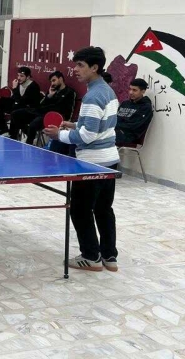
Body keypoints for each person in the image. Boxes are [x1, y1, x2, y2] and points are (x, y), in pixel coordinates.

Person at [44, 46, 120, 272]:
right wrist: (74, 124)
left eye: (80, 65)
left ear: (94, 67)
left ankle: (90, 256)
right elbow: (100, 125)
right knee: (104, 209)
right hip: (109, 161)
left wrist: (59, 135)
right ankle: (109, 256)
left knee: (80, 210)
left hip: (91, 163)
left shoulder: (92, 97)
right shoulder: (107, 91)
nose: (75, 69)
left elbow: (87, 136)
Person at [10, 71, 76, 145]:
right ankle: (22, 136)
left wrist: (66, 122)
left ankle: (29, 144)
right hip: (39, 111)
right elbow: (41, 104)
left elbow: (69, 109)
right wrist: (49, 96)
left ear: (60, 79)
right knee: (15, 114)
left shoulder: (69, 92)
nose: (52, 83)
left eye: (54, 80)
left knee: (33, 125)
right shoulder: (52, 90)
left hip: (51, 116)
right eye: (51, 81)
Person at [0, 67, 41, 135]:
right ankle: (3, 129)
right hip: (19, 105)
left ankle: (13, 134)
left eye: (21, 76)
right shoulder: (19, 84)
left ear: (28, 77)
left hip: (29, 109)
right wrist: (1, 98)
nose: (19, 78)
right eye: (18, 75)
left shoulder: (33, 86)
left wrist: (15, 89)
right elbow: (14, 98)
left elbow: (21, 101)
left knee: (15, 109)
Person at [114, 78, 153, 145]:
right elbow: (115, 119)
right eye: (130, 89)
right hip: (114, 132)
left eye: (134, 90)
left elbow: (134, 127)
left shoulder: (145, 108)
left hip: (127, 138)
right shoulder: (125, 103)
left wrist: (115, 125)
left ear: (143, 91)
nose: (131, 92)